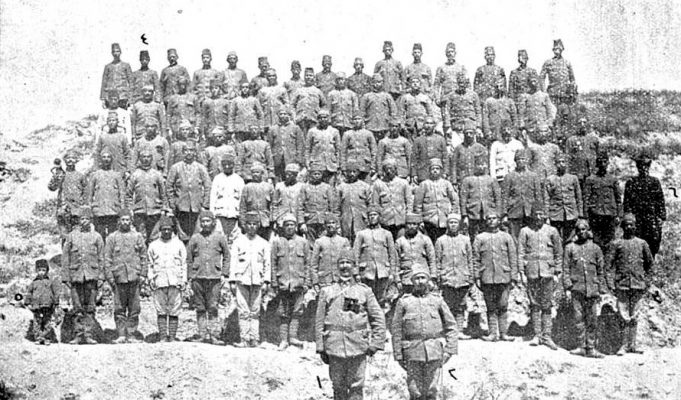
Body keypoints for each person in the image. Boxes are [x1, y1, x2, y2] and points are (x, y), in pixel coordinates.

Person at [315, 249, 386, 400]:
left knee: (356, 387)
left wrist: (376, 343)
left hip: (358, 346)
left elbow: (378, 318)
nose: (345, 266)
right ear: (337, 267)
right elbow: (319, 321)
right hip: (334, 346)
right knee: (338, 386)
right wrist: (320, 346)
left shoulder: (364, 291)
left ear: (354, 267)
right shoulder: (327, 291)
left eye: (348, 263)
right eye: (341, 263)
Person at [392, 264, 457, 400]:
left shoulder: (437, 300)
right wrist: (398, 354)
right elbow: (396, 330)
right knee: (415, 391)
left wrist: (450, 350)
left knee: (432, 391)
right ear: (412, 281)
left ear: (428, 280)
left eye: (423, 278)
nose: (420, 281)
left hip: (434, 352)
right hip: (412, 352)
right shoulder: (404, 302)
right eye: (416, 278)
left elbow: (451, 326)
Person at [605, 213, 654, 355]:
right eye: (626, 225)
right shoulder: (616, 244)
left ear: (635, 226)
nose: (629, 227)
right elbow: (608, 266)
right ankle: (624, 345)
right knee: (623, 315)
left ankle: (633, 345)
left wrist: (647, 282)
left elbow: (650, 265)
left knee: (635, 315)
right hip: (622, 285)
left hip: (638, 284)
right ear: (622, 227)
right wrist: (610, 284)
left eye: (631, 225)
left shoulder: (642, 244)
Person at [518, 207, 562, 350]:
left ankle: (547, 336)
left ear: (545, 215)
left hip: (548, 272)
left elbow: (558, 253)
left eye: (541, 214)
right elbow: (521, 253)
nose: (538, 217)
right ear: (531, 216)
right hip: (531, 272)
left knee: (547, 304)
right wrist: (522, 273)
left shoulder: (552, 231)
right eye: (535, 214)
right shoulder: (525, 231)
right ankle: (537, 335)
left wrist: (557, 272)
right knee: (535, 304)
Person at [563, 219, 606, 358]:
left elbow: (601, 270)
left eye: (584, 229)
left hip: (592, 289)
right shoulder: (570, 248)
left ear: (588, 231)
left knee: (592, 320)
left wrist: (600, 288)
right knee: (578, 319)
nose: (581, 232)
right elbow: (566, 269)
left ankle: (591, 347)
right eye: (578, 230)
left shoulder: (596, 248)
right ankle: (581, 346)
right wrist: (568, 287)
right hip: (577, 289)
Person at [472, 213, 518, 342]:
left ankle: (504, 333)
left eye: (494, 218)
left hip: (504, 276)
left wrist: (514, 277)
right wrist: (477, 277)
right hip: (487, 277)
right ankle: (492, 333)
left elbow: (513, 257)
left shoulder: (506, 237)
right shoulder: (480, 238)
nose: (491, 221)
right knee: (491, 307)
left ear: (499, 221)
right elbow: (475, 259)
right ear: (485, 221)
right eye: (489, 219)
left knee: (503, 305)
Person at [61, 206, 104, 344]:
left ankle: (89, 334)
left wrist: (101, 277)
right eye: (81, 219)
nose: (83, 221)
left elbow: (101, 258)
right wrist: (66, 277)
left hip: (92, 276)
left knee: (90, 307)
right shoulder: (71, 236)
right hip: (76, 276)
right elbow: (65, 258)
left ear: (91, 220)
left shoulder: (97, 237)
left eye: (86, 219)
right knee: (77, 307)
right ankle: (78, 335)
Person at [187, 210, 230, 345]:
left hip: (214, 277)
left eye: (208, 221)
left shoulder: (220, 237)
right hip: (198, 277)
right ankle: (202, 334)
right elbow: (189, 258)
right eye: (203, 221)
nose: (205, 224)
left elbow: (227, 256)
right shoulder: (195, 238)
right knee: (200, 307)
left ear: (213, 222)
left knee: (213, 306)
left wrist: (224, 273)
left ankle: (214, 335)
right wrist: (190, 276)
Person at [104, 209, 147, 344]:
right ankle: (121, 334)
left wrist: (143, 274)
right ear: (118, 221)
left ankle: (132, 334)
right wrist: (110, 278)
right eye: (123, 220)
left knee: (134, 308)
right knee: (119, 308)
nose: (125, 222)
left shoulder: (137, 237)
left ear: (131, 221)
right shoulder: (112, 238)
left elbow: (144, 257)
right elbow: (107, 260)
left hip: (134, 277)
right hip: (118, 278)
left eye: (127, 220)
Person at [229, 211, 271, 347]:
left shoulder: (264, 243)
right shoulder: (238, 242)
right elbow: (233, 262)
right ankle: (244, 339)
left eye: (254, 224)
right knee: (243, 311)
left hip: (258, 280)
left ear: (258, 226)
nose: (252, 226)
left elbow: (267, 264)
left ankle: (254, 338)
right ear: (245, 225)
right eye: (249, 224)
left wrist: (266, 281)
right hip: (242, 280)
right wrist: (232, 281)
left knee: (255, 311)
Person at [271, 213, 310, 350]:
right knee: (283, 312)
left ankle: (293, 337)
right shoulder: (277, 242)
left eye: (292, 225)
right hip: (283, 283)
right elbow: (273, 263)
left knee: (297, 311)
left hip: (298, 283)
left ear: (296, 227)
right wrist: (274, 282)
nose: (289, 227)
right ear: (283, 227)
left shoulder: (303, 242)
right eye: (287, 225)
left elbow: (307, 264)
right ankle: (283, 340)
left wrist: (307, 282)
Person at [147, 215, 187, 342]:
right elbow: (150, 264)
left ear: (172, 230)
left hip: (175, 281)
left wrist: (184, 280)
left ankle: (173, 337)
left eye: (169, 229)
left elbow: (184, 263)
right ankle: (163, 336)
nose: (166, 231)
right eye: (164, 229)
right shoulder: (153, 245)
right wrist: (151, 279)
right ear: (160, 230)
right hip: (159, 281)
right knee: (161, 309)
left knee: (174, 309)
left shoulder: (179, 244)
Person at [435, 213, 474, 339]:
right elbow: (437, 261)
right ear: (447, 224)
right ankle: (449, 330)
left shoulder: (465, 240)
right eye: (450, 222)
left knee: (461, 306)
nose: (453, 225)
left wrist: (471, 276)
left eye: (455, 222)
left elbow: (470, 260)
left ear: (459, 225)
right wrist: (439, 277)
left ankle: (460, 330)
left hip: (462, 278)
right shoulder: (441, 241)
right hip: (447, 278)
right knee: (448, 306)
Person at [623, 151, 666, 257]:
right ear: (638, 167)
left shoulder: (654, 182)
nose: (643, 168)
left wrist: (661, 217)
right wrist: (629, 216)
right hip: (637, 218)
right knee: (636, 241)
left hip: (651, 217)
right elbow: (627, 202)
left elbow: (660, 200)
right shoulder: (631, 182)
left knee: (654, 241)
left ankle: (651, 262)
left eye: (646, 166)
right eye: (641, 166)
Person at [166, 141, 211, 240]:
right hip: (181, 206)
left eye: (191, 150)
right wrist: (173, 203)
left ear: (195, 152)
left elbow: (207, 186)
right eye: (186, 150)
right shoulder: (176, 167)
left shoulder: (200, 168)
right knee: (183, 235)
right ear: (183, 152)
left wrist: (205, 204)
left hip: (197, 206)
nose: (189, 153)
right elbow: (169, 186)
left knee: (196, 234)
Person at [353, 206, 397, 308]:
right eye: (370, 215)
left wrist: (392, 272)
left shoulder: (387, 234)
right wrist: (356, 272)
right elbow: (355, 254)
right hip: (366, 272)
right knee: (366, 298)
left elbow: (392, 255)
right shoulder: (361, 234)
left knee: (381, 299)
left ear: (379, 217)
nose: (372, 217)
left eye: (375, 215)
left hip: (383, 272)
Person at [501, 149, 545, 240]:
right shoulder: (509, 176)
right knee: (515, 237)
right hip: (514, 211)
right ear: (515, 161)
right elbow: (505, 196)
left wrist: (539, 211)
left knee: (530, 236)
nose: (521, 161)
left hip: (530, 211)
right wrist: (504, 213)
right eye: (519, 159)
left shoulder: (533, 176)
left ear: (527, 160)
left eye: (523, 159)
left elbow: (538, 195)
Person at [414, 158, 460, 244]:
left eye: (437, 168)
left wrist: (452, 215)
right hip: (428, 221)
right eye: (433, 169)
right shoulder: (424, 184)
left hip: (444, 220)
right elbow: (417, 205)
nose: (435, 171)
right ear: (429, 171)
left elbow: (455, 200)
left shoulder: (446, 184)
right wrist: (419, 221)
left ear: (441, 170)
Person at [127, 149, 167, 243]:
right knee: (141, 238)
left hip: (155, 211)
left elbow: (163, 194)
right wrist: (130, 209)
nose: (146, 159)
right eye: (143, 157)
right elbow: (128, 195)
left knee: (154, 238)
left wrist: (164, 208)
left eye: (148, 157)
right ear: (140, 159)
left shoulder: (157, 174)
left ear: (151, 159)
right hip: (139, 211)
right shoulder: (135, 175)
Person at [584, 151, 621, 252]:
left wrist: (618, 215)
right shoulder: (590, 179)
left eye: (604, 162)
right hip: (596, 215)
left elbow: (618, 199)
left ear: (608, 163)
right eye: (600, 162)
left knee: (609, 241)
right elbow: (586, 198)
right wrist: (586, 216)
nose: (602, 164)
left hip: (609, 214)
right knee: (596, 241)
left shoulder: (613, 179)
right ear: (597, 164)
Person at [48, 150, 87, 242]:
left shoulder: (81, 176)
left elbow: (86, 192)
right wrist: (56, 177)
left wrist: (82, 206)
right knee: (65, 237)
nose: (70, 160)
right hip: (63, 209)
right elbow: (51, 188)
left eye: (73, 158)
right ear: (64, 160)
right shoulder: (60, 174)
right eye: (68, 158)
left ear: (76, 160)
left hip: (76, 209)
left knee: (77, 237)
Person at [460, 155, 502, 239]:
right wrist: (464, 215)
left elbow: (497, 197)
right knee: (473, 236)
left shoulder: (491, 180)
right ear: (474, 166)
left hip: (488, 213)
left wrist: (498, 213)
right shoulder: (467, 180)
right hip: (473, 213)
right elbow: (463, 199)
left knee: (489, 235)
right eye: (478, 165)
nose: (481, 167)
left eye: (483, 165)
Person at [545, 152, 583, 244]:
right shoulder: (550, 179)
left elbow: (579, 198)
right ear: (555, 164)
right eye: (559, 162)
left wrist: (580, 214)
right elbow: (546, 199)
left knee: (570, 238)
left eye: (563, 162)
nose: (561, 164)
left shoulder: (573, 178)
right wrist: (546, 216)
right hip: (555, 213)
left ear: (567, 163)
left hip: (571, 213)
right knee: (556, 238)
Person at [87, 150, 125, 241]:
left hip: (113, 210)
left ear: (111, 159)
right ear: (100, 159)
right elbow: (90, 194)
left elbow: (122, 193)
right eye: (104, 157)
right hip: (99, 211)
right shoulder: (95, 175)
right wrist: (89, 208)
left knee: (113, 236)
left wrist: (122, 209)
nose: (106, 159)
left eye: (108, 157)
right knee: (100, 236)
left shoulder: (117, 175)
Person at [371, 158, 413, 240]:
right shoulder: (378, 184)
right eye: (386, 169)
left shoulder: (403, 183)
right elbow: (375, 204)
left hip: (400, 220)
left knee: (401, 242)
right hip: (385, 221)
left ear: (395, 169)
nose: (389, 171)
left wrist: (408, 217)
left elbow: (409, 202)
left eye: (391, 168)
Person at [395, 213, 436, 294]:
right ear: (405, 225)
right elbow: (396, 262)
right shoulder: (400, 241)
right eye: (409, 224)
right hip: (406, 278)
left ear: (418, 225)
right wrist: (398, 280)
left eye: (414, 224)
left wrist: (433, 277)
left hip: (423, 278)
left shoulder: (425, 240)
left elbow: (432, 259)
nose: (411, 226)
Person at [297, 165, 338, 244]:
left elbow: (332, 206)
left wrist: (332, 221)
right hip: (310, 221)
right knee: (310, 244)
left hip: (324, 221)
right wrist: (301, 223)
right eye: (314, 174)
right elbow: (300, 206)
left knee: (324, 243)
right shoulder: (305, 187)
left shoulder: (327, 187)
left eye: (319, 174)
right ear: (310, 175)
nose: (317, 176)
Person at [209, 154, 245, 244]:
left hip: (234, 215)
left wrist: (241, 216)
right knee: (219, 238)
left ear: (233, 165)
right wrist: (212, 215)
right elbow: (213, 198)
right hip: (220, 215)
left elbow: (242, 200)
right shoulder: (217, 179)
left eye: (229, 164)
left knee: (234, 239)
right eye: (224, 164)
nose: (227, 166)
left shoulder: (239, 180)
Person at [310, 213, 351, 290]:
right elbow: (314, 264)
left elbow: (350, 262)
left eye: (333, 223)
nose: (330, 225)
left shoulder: (344, 241)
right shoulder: (319, 242)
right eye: (328, 223)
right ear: (324, 226)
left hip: (341, 280)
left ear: (337, 225)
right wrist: (315, 282)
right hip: (324, 281)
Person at [25, 259, 62, 345]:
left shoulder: (50, 282)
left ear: (47, 271)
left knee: (47, 322)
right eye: (39, 270)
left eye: (43, 270)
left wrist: (55, 303)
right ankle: (38, 338)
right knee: (37, 322)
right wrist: (27, 302)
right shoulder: (33, 283)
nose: (41, 272)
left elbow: (55, 292)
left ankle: (46, 338)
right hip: (36, 305)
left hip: (47, 305)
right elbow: (29, 293)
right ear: (36, 271)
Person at [337, 162, 373, 243]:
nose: (352, 174)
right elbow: (336, 208)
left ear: (358, 172)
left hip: (361, 220)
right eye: (350, 172)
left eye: (354, 172)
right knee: (346, 241)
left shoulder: (365, 186)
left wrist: (368, 220)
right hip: (346, 220)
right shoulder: (341, 187)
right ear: (346, 173)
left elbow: (370, 205)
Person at [239, 162, 275, 240]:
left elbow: (273, 204)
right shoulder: (247, 187)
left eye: (257, 172)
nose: (255, 174)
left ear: (262, 173)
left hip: (265, 222)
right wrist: (243, 222)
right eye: (253, 172)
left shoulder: (268, 187)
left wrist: (272, 219)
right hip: (251, 222)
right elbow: (243, 206)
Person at [305, 109, 341, 183]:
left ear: (329, 118)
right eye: (320, 117)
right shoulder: (312, 131)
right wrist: (307, 163)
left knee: (331, 187)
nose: (323, 119)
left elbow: (338, 149)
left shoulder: (334, 131)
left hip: (331, 165)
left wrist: (338, 164)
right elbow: (307, 149)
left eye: (325, 117)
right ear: (318, 119)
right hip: (317, 165)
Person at [448, 122, 487, 189]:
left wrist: (485, 180)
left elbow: (485, 165)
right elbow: (453, 165)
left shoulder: (480, 148)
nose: (468, 135)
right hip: (462, 180)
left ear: (474, 134)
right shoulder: (458, 148)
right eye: (466, 133)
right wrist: (454, 181)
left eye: (471, 133)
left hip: (476, 180)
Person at [269, 108, 304, 181]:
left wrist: (299, 159)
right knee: (278, 176)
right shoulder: (273, 129)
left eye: (285, 114)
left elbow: (300, 144)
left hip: (291, 157)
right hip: (277, 157)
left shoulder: (295, 128)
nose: (282, 116)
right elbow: (269, 145)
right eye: (281, 114)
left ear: (289, 115)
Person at [442, 74, 481, 140]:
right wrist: (448, 127)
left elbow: (478, 112)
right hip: (456, 127)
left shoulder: (473, 95)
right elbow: (447, 112)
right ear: (457, 83)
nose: (461, 85)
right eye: (460, 83)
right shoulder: (451, 95)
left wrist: (478, 127)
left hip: (470, 128)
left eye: (463, 83)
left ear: (466, 84)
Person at [360, 74, 398, 141]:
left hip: (384, 126)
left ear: (382, 83)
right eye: (375, 82)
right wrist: (363, 125)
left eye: (379, 82)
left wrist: (392, 123)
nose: (377, 84)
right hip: (370, 125)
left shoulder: (387, 96)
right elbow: (362, 112)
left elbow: (393, 111)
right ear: (372, 83)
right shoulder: (366, 96)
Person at [518, 73, 556, 141]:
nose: (533, 83)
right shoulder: (525, 96)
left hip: (543, 128)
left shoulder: (544, 96)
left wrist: (549, 125)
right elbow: (521, 113)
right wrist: (522, 127)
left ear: (538, 82)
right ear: (528, 83)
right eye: (531, 81)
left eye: (534, 81)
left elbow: (549, 112)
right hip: (530, 128)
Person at [565, 116, 599, 190]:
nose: (582, 125)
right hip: (577, 172)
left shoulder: (594, 139)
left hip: (591, 172)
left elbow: (599, 155)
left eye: (584, 122)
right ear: (576, 126)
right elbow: (567, 159)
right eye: (580, 123)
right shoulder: (571, 140)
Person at [539, 39, 577, 107]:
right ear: (553, 50)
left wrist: (572, 92)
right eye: (555, 49)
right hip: (552, 95)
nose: (557, 51)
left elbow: (572, 79)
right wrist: (544, 92)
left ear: (562, 49)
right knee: (552, 113)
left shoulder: (567, 63)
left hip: (565, 96)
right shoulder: (548, 62)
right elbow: (541, 78)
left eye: (559, 49)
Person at [411, 117, 447, 185]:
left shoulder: (441, 139)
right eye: (427, 123)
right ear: (423, 125)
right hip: (423, 173)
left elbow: (445, 157)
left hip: (437, 172)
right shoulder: (418, 140)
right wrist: (414, 174)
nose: (429, 126)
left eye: (431, 123)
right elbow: (414, 158)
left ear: (434, 125)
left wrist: (445, 172)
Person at [482, 79, 517, 147]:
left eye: (501, 86)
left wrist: (513, 132)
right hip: (493, 133)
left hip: (507, 134)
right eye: (496, 86)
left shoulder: (509, 101)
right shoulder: (489, 101)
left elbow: (514, 118)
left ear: (504, 88)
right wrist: (487, 132)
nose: (499, 88)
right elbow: (485, 118)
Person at [340, 114, 376, 180]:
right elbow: (343, 152)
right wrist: (343, 167)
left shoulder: (368, 134)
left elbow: (374, 151)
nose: (357, 121)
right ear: (352, 121)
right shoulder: (347, 134)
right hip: (351, 166)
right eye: (355, 119)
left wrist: (373, 167)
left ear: (362, 120)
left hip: (365, 165)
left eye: (359, 119)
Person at [291, 67, 326, 135]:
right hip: (301, 120)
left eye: (310, 75)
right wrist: (294, 117)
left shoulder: (318, 91)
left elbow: (324, 105)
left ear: (313, 77)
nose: (308, 77)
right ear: (304, 77)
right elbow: (292, 105)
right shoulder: (299, 90)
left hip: (314, 120)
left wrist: (320, 116)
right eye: (307, 75)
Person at [434, 42, 468, 107]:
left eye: (452, 52)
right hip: (445, 98)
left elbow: (467, 83)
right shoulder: (441, 68)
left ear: (455, 53)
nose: (450, 54)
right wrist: (437, 98)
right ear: (446, 53)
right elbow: (436, 85)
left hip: (458, 98)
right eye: (448, 52)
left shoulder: (461, 67)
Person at [271, 164, 303, 232]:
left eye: (290, 175)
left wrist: (302, 222)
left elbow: (303, 205)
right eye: (286, 174)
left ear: (295, 175)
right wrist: (274, 219)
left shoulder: (301, 186)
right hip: (281, 218)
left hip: (296, 218)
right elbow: (274, 204)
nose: (287, 176)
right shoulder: (279, 186)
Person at [100, 43, 133, 109]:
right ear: (112, 53)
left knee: (122, 114)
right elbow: (104, 83)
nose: (116, 53)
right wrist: (103, 99)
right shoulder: (108, 67)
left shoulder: (126, 65)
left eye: (117, 51)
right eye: (114, 51)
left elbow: (131, 82)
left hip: (122, 96)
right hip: (110, 97)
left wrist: (131, 98)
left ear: (120, 52)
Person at [258, 68, 289, 133]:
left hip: (279, 120)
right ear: (266, 77)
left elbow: (287, 104)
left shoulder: (282, 89)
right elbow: (259, 107)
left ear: (276, 77)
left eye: (273, 76)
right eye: (269, 76)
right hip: (267, 120)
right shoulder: (262, 90)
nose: (271, 78)